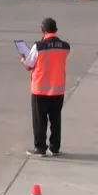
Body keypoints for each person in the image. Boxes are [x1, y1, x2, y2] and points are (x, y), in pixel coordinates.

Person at [20, 18, 70, 157]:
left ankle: (40, 148)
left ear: (43, 30)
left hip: (41, 88)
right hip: (58, 88)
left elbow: (29, 65)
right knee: (56, 119)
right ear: (56, 30)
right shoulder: (65, 46)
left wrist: (23, 59)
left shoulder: (39, 46)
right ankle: (54, 147)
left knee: (40, 119)